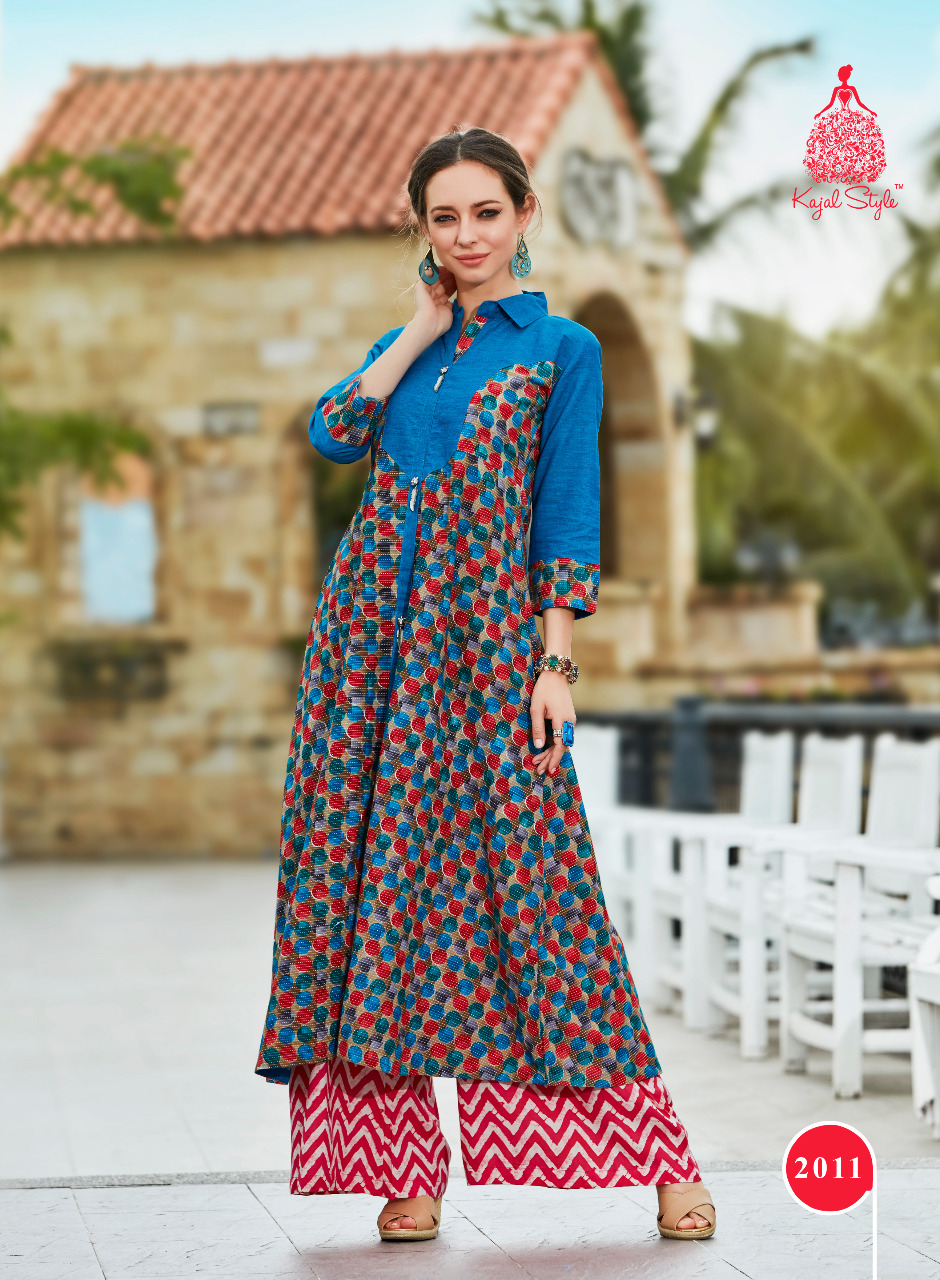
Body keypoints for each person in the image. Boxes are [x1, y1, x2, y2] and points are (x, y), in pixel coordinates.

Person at [255, 126, 716, 1245]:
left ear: (524, 214)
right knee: (368, 895)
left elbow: (565, 512)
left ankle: (660, 1158)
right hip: (368, 647)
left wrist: (554, 661)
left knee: (541, 890)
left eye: (485, 213)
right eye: (444, 217)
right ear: (422, 228)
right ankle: (404, 1171)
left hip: (487, 647)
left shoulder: (562, 349)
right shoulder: (409, 341)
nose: (466, 235)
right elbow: (334, 432)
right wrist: (418, 328)